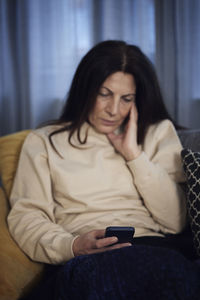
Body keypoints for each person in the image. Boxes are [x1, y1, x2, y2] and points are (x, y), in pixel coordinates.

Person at [7, 40, 200, 299]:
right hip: (85, 257)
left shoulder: (157, 133)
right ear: (85, 89)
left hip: (154, 248)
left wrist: (134, 155)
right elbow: (27, 218)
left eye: (126, 99)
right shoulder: (44, 141)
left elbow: (176, 221)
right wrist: (73, 245)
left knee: (174, 274)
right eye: (104, 93)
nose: (113, 110)